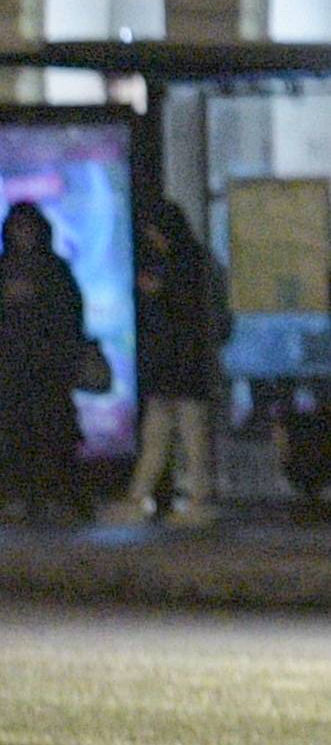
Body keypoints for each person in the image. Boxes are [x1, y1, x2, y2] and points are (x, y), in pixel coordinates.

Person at [0, 200, 97, 526]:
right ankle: (12, 494)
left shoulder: (54, 269)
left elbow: (71, 312)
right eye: (18, 229)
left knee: (50, 431)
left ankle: (51, 495)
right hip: (9, 366)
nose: (23, 236)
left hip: (47, 366)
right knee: (9, 431)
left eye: (28, 229)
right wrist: (6, 297)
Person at [125, 187, 230, 527]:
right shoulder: (195, 262)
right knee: (177, 436)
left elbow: (193, 314)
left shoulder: (182, 266)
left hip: (181, 367)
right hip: (182, 367)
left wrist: (160, 292)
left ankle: (156, 498)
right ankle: (152, 498)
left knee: (177, 437)